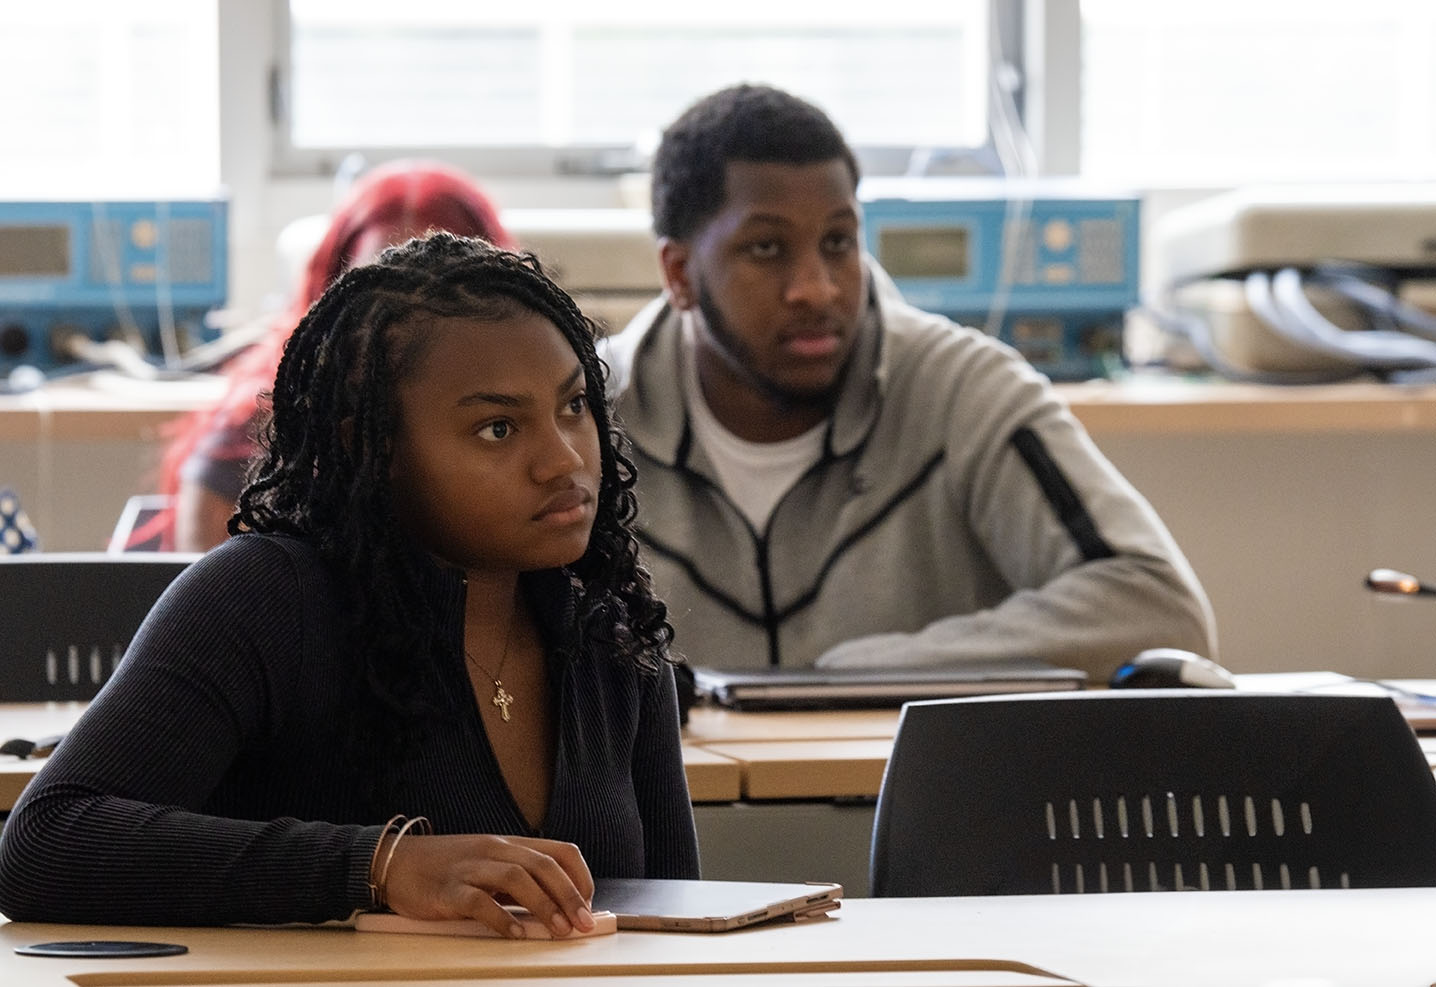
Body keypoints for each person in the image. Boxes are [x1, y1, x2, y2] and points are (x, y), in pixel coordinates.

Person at [0, 234, 700, 932]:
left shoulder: (612, 633)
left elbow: (682, 924)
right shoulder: (267, 600)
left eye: (574, 405)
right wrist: (377, 865)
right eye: (497, 428)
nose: (562, 457)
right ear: (367, 446)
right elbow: (45, 843)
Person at [602, 83, 1217, 680]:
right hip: (674, 788)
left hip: (905, 784)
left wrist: (854, 676)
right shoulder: (589, 420)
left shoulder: (965, 390)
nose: (818, 288)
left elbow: (1158, 610)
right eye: (766, 249)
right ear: (679, 273)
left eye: (839, 241)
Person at [145, 160, 517, 553]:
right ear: (330, 292)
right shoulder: (250, 430)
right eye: (379, 284)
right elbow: (210, 601)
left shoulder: (532, 417)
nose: (408, 313)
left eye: (440, 288)